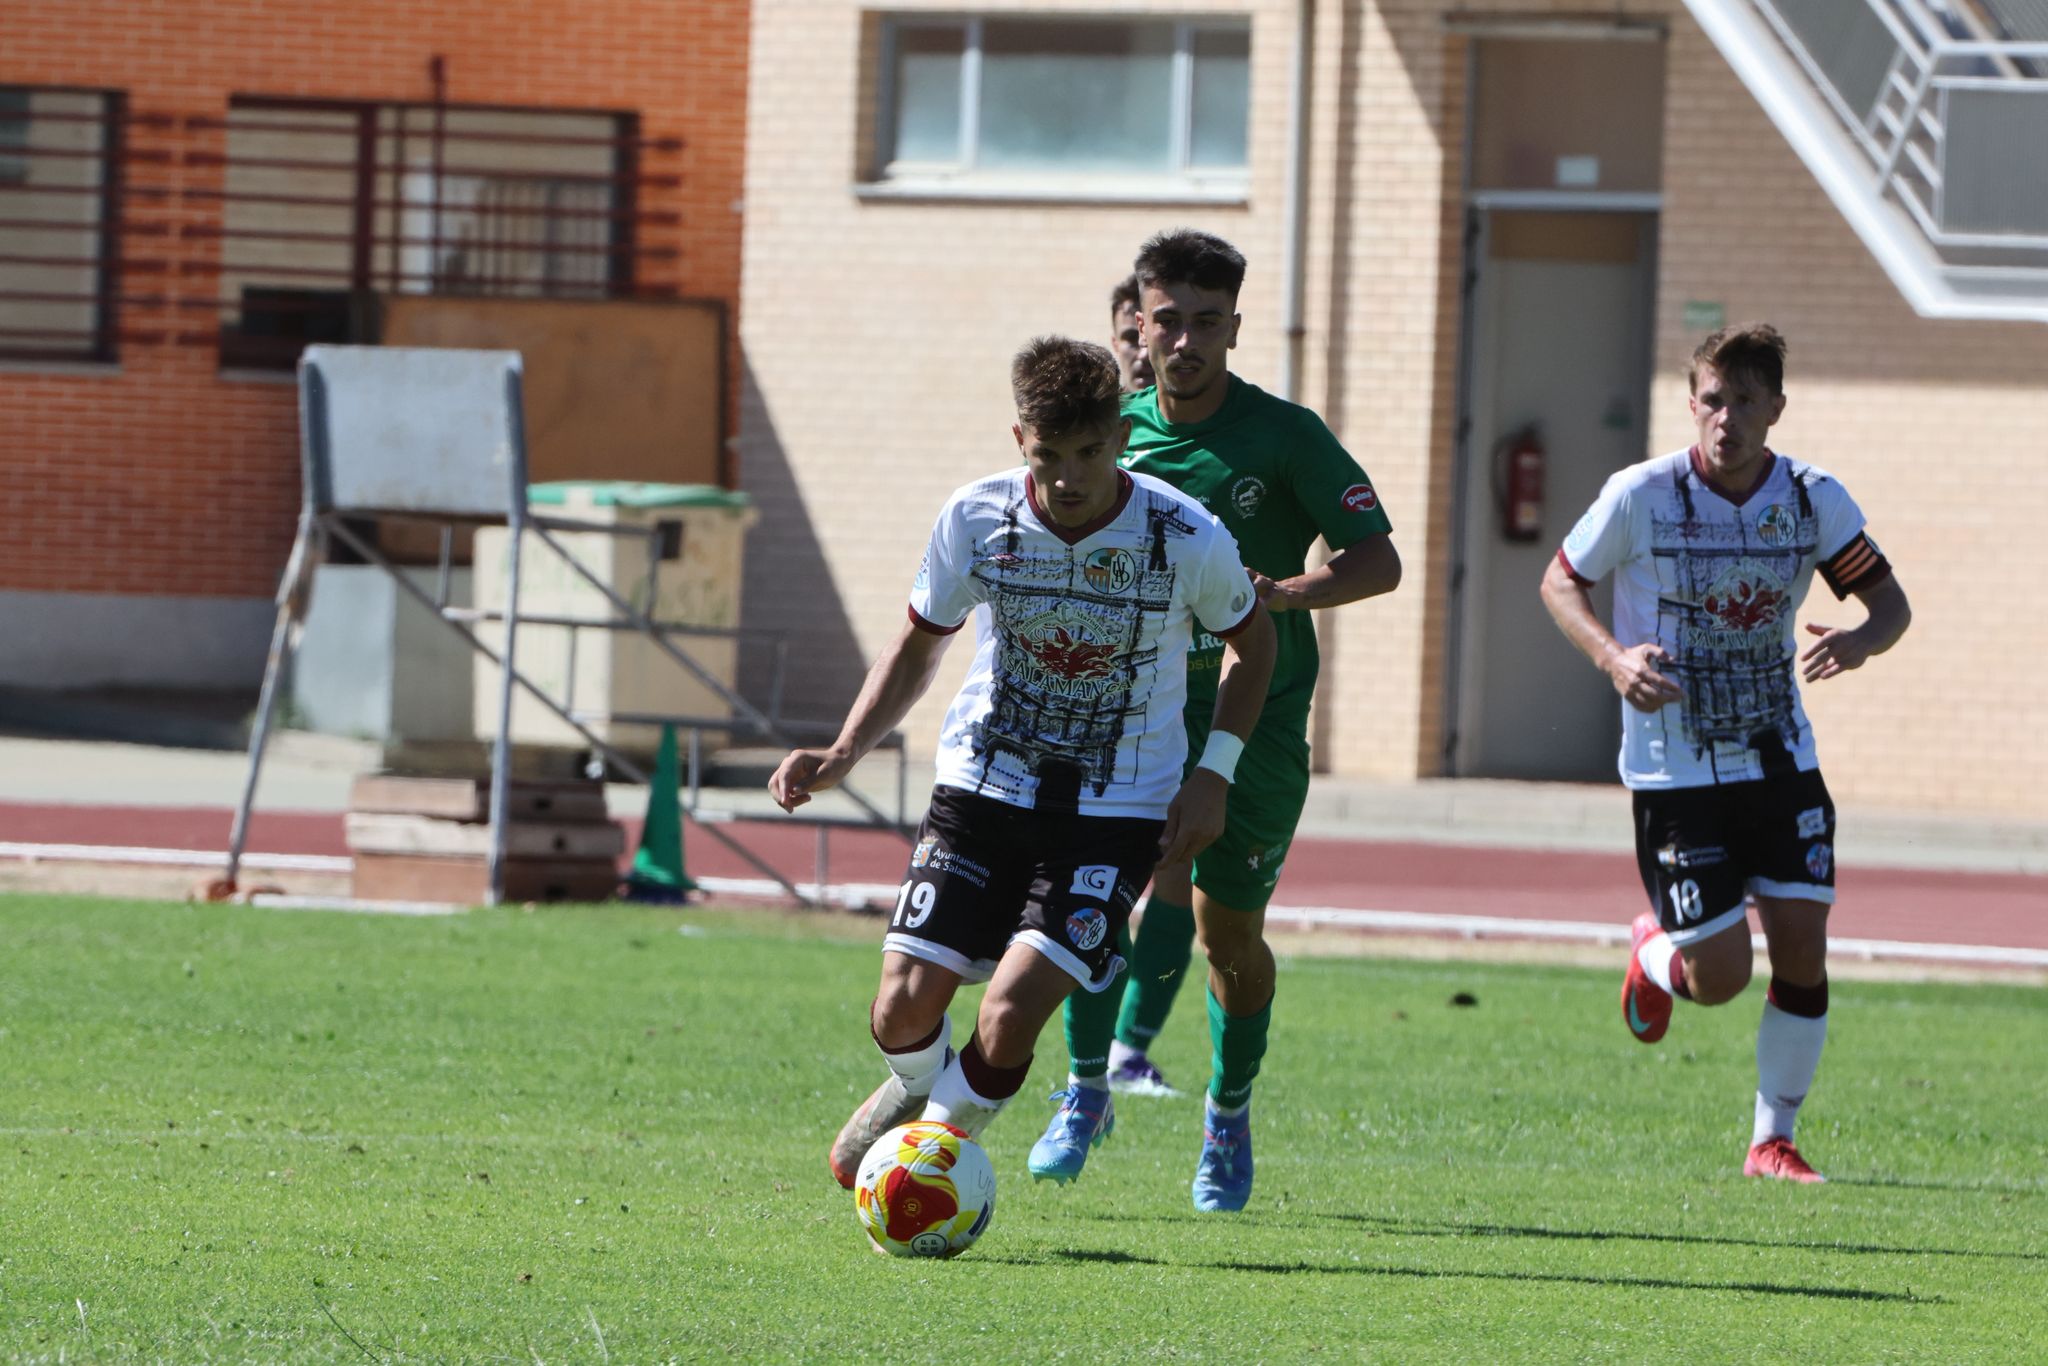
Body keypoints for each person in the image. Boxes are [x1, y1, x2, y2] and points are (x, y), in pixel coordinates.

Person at [775, 335, 1277, 1191]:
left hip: (1116, 811)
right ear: (1020, 442)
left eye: (1089, 453)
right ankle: (916, 1084)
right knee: (900, 1008)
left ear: (1121, 436)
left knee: (1008, 1013)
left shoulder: (1183, 533)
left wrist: (1212, 771)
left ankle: (923, 1172)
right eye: (1049, 456)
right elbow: (916, 645)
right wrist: (844, 749)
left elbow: (1253, 644)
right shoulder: (976, 517)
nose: (1069, 478)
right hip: (983, 786)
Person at [1034, 230, 1402, 1211]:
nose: (1184, 341)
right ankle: (1082, 1092)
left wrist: (1280, 593)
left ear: (1234, 327)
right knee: (1091, 903)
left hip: (1257, 722)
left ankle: (1226, 1113)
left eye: (1205, 322)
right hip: (1132, 720)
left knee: (1224, 936)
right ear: (1137, 325)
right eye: (1167, 321)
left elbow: (1377, 560)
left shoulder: (1284, 436)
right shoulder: (1108, 439)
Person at [1538, 323, 1910, 1183]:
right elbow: (1561, 580)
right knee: (1719, 979)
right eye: (1713, 399)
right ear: (1692, 403)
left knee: (1804, 946)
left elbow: (1891, 607)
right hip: (1675, 766)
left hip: (1781, 755)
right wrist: (1612, 657)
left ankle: (1770, 1141)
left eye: (1746, 401)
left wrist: (1860, 642)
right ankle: (1655, 955)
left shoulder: (1814, 500)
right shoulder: (1641, 494)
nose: (1727, 418)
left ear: (1776, 408)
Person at [1109, 273, 1155, 393]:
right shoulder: (1095, 411)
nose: (1144, 355)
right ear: (1116, 345)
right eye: (1131, 338)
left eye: (1152, 338)